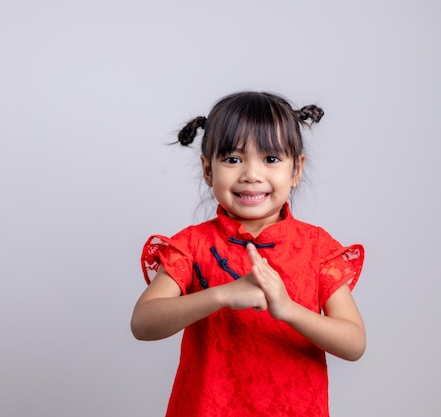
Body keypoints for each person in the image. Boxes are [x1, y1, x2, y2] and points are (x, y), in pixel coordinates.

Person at [130, 91, 366, 417]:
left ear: (296, 169)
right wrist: (222, 295)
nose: (251, 174)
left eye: (270, 159)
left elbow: (354, 343)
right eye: (232, 159)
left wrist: (288, 310)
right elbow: (143, 323)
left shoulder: (316, 247)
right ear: (208, 170)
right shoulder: (192, 246)